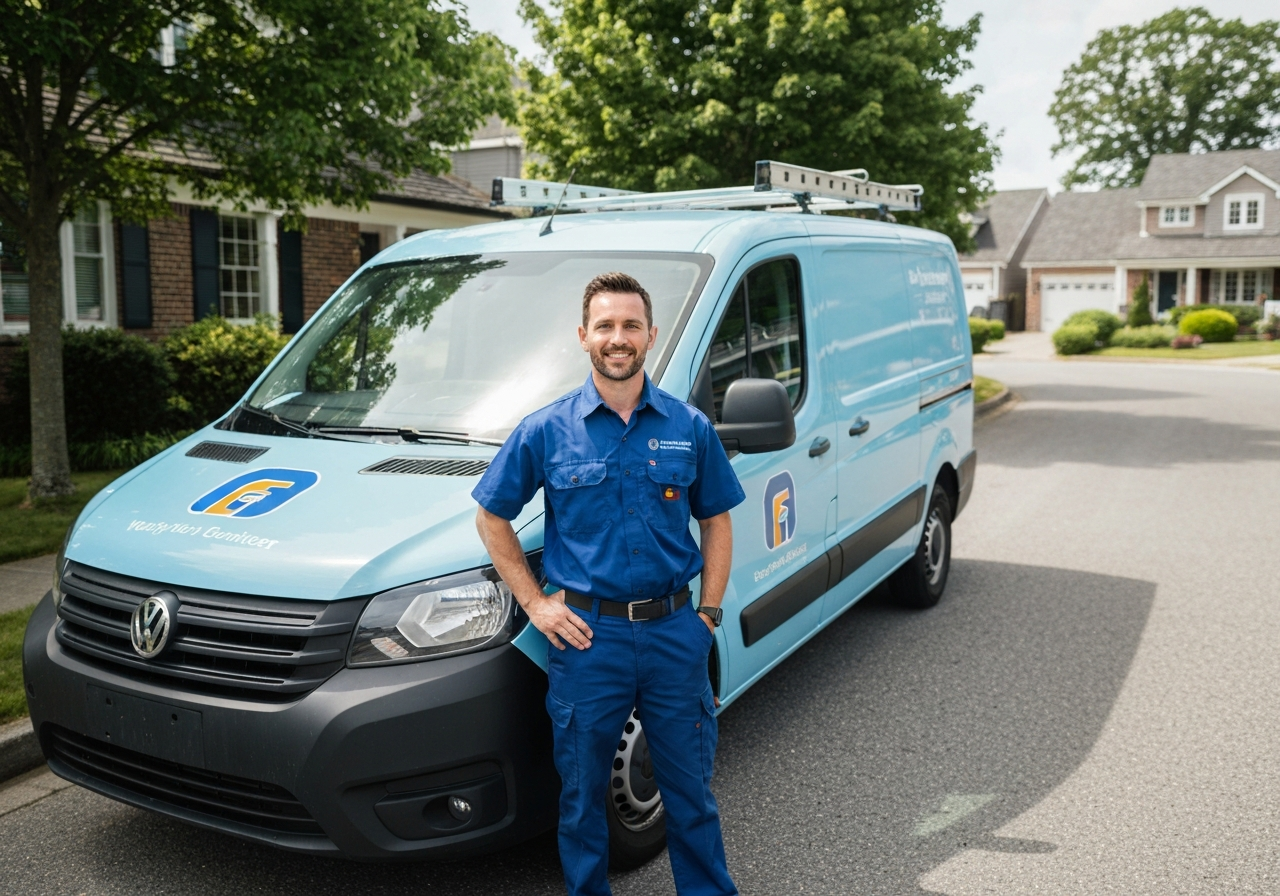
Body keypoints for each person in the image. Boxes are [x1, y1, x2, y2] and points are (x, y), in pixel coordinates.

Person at [473, 271, 745, 896]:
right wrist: (535, 604)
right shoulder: (546, 429)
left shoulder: (687, 426)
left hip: (676, 634)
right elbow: (491, 515)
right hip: (586, 643)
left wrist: (707, 615)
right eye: (605, 326)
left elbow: (717, 520)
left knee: (691, 794)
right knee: (581, 799)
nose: (617, 338)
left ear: (650, 335)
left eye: (629, 326)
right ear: (584, 336)